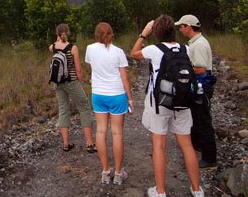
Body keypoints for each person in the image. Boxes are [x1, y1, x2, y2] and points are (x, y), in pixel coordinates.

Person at [131, 15, 204, 197]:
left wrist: (143, 33)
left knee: (159, 146)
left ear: (156, 32)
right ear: (173, 30)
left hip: (161, 102)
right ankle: (197, 190)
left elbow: (134, 53)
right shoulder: (185, 48)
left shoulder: (154, 50)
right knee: (186, 145)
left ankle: (160, 191)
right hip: (182, 102)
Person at [85, 22, 133, 185]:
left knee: (100, 132)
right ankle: (118, 174)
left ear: (96, 34)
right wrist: (130, 98)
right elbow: (124, 78)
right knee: (117, 133)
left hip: (98, 94)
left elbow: (94, 66)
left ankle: (105, 172)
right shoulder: (119, 52)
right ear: (112, 33)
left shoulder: (90, 49)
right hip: (117, 95)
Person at [175, 15, 217, 169]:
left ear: (189, 27)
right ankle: (197, 146)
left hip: (202, 87)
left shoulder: (198, 44)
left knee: (203, 121)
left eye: (181, 26)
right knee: (196, 117)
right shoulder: (196, 42)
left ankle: (210, 158)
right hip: (199, 86)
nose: (180, 29)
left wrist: (182, 69)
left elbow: (200, 69)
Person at [49, 23, 96, 153]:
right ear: (68, 32)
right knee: (84, 108)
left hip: (58, 83)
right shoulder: (73, 48)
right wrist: (81, 81)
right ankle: (90, 144)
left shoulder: (52, 47)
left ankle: (66, 144)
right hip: (72, 81)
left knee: (63, 109)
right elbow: (78, 69)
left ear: (57, 33)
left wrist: (57, 41)